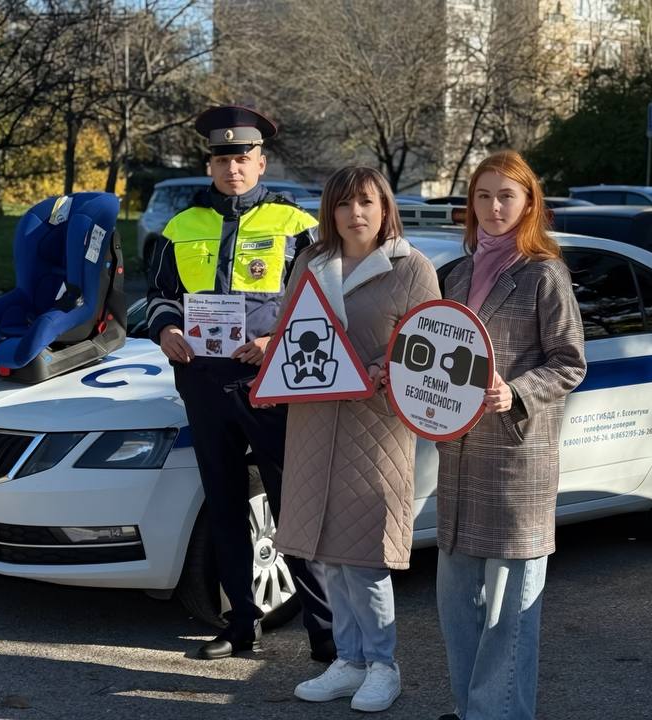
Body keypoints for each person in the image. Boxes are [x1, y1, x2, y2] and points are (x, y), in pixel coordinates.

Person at [146, 105, 333, 660]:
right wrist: (166, 331)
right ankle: (241, 625)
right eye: (223, 157)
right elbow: (157, 296)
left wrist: (277, 342)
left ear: (261, 162)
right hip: (203, 381)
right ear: (209, 164)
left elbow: (321, 307)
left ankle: (324, 634)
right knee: (225, 505)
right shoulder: (180, 228)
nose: (233, 167)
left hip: (272, 381)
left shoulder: (297, 226)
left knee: (290, 506)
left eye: (243, 157)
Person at [273, 167, 440, 712]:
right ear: (330, 211)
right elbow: (290, 332)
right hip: (314, 426)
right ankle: (348, 661)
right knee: (325, 555)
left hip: (376, 427)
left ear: (385, 206)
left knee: (365, 557)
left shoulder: (411, 267)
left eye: (366, 202)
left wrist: (384, 369)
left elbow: (429, 348)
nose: (355, 214)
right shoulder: (310, 262)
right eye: (343, 204)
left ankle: (383, 666)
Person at [435, 150, 586, 720]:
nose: (494, 207)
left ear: (528, 203)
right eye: (483, 196)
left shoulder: (545, 272)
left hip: (515, 461)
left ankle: (497, 715)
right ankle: (469, 708)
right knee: (458, 608)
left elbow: (570, 362)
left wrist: (515, 391)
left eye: (506, 196)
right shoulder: (454, 274)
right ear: (470, 205)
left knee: (508, 614)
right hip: (459, 458)